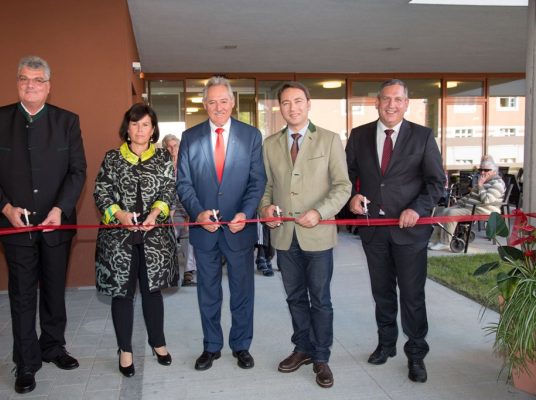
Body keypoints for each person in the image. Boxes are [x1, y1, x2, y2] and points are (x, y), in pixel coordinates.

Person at [0, 55, 86, 394]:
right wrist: (5, 208)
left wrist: (60, 209)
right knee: (21, 295)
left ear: (48, 87)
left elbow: (77, 170)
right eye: (24, 79)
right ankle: (26, 362)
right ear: (17, 82)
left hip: (56, 226)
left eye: (37, 80)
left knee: (54, 290)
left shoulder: (67, 121)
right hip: (15, 227)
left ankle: (53, 347)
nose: (30, 85)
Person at [345, 79, 445, 383]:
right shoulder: (359, 135)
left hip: (410, 232)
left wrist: (417, 208)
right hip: (373, 230)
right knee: (382, 292)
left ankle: (416, 354)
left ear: (406, 103)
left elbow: (436, 183)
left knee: (412, 295)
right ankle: (386, 344)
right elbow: (346, 176)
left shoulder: (423, 136)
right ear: (377, 102)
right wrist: (350, 198)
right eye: (386, 98)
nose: (391, 104)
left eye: (398, 99)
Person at [259, 82, 352, 388]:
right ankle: (302, 348)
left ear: (308, 104)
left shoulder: (328, 140)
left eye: (298, 101)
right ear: (280, 108)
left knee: (320, 299)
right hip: (285, 236)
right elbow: (268, 187)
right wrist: (266, 210)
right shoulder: (270, 144)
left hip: (318, 236)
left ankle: (322, 357)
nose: (292, 107)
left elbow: (343, 186)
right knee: (295, 297)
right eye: (286, 103)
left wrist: (321, 212)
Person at [176, 76, 266, 371]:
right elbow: (184, 183)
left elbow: (257, 181)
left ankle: (241, 346)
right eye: (212, 101)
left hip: (239, 229)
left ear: (232, 103)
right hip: (205, 231)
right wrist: (198, 213)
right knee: (208, 292)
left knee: (242, 292)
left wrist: (246, 212)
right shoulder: (190, 137)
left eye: (223, 101)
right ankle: (211, 346)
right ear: (204, 104)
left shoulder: (251, 136)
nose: (218, 107)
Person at [94, 104, 178, 377]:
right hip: (119, 238)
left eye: (145, 124)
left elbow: (168, 189)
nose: (140, 129)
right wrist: (118, 214)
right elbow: (101, 192)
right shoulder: (112, 158)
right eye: (135, 124)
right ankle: (125, 349)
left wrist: (156, 213)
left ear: (153, 129)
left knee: (152, 291)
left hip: (155, 237)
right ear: (126, 128)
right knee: (123, 293)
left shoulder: (164, 157)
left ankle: (158, 343)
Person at [429, 155, 505, 251]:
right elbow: (470, 196)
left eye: (486, 170)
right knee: (444, 211)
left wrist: (480, 186)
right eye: (481, 170)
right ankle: (434, 239)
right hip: (470, 208)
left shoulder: (497, 183)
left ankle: (444, 242)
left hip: (483, 210)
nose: (482, 172)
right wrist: (458, 204)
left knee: (451, 214)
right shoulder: (485, 181)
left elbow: (486, 200)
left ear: (494, 171)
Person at [162, 134, 197, 285]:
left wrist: (191, 213)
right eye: (169, 146)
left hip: (185, 209)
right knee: (167, 237)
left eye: (175, 146)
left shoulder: (187, 165)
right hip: (168, 209)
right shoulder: (162, 167)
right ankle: (168, 274)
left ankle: (189, 272)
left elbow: (192, 189)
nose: (172, 149)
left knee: (189, 236)